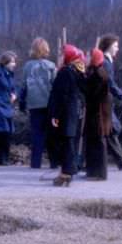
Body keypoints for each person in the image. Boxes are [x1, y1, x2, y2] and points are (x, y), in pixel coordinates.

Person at [47, 45, 86, 186]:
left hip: (66, 112)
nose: (59, 57)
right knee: (71, 142)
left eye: (61, 55)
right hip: (74, 111)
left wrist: (55, 114)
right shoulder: (78, 70)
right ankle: (67, 172)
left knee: (66, 143)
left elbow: (60, 95)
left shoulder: (65, 72)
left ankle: (66, 174)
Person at [98, 34, 122, 170]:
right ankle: (120, 160)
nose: (117, 49)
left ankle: (121, 160)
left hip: (103, 101)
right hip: (103, 102)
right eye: (115, 46)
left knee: (110, 130)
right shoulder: (105, 62)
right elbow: (110, 84)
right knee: (110, 129)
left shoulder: (106, 61)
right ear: (108, 47)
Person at [18, 37, 57, 168]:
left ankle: (36, 162)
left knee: (37, 134)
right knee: (52, 133)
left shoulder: (28, 66)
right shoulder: (51, 66)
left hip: (34, 104)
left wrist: (21, 102)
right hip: (49, 103)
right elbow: (55, 85)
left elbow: (24, 86)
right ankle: (54, 161)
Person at [83, 48, 112, 180]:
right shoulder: (94, 72)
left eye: (89, 55)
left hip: (98, 114)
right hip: (95, 113)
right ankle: (92, 170)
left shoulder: (99, 74)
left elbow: (92, 94)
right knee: (93, 142)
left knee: (98, 142)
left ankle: (99, 173)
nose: (86, 57)